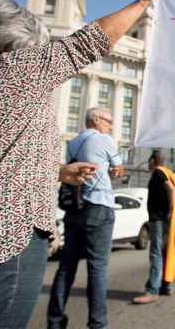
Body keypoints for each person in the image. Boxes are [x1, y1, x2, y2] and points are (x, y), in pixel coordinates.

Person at [0, 0, 163, 329]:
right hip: (1, 245)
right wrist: (142, 3)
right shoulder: (15, 71)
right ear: (20, 40)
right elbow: (87, 44)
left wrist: (58, 171)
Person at [47, 106, 125, 328]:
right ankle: (97, 324)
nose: (111, 125)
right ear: (97, 120)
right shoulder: (104, 140)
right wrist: (114, 170)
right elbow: (118, 169)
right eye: (109, 121)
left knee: (66, 266)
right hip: (99, 207)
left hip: (73, 208)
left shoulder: (72, 142)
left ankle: (54, 321)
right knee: (97, 267)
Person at [133, 150, 175, 304]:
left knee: (156, 254)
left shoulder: (158, 173)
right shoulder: (167, 172)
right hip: (165, 220)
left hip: (158, 220)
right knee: (164, 252)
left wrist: (169, 210)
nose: (148, 163)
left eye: (150, 160)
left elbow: (170, 189)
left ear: (153, 160)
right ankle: (166, 285)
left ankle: (152, 290)